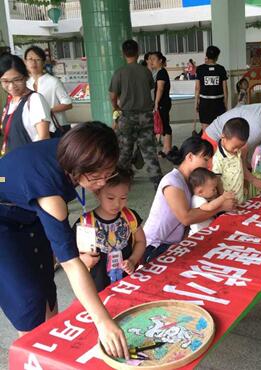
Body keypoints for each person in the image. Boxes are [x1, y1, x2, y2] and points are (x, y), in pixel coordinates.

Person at [0, 122, 129, 358]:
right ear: (77, 166)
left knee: (45, 284)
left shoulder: (74, 148)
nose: (102, 182)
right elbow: (69, 263)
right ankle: (32, 357)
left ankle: (52, 351)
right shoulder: (50, 193)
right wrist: (103, 322)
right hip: (4, 220)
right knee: (26, 295)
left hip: (27, 207)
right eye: (96, 176)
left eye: (108, 173)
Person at [143, 136, 235, 262]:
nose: (209, 165)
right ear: (190, 157)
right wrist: (221, 207)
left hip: (174, 244)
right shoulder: (172, 181)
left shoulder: (192, 182)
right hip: (155, 246)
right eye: (205, 159)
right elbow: (186, 218)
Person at [75, 168, 146, 292]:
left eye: (123, 198)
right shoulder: (86, 223)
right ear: (97, 193)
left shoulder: (130, 217)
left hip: (128, 283)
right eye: (110, 198)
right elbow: (71, 256)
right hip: (97, 288)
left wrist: (133, 260)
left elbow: (141, 241)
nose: (117, 204)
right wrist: (83, 260)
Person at [109, 40, 162, 190]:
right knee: (149, 150)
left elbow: (112, 95)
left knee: (125, 150)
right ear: (137, 51)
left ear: (123, 53)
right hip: (145, 116)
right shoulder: (145, 71)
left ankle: (119, 181)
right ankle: (158, 183)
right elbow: (150, 88)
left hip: (127, 116)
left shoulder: (119, 72)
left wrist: (116, 107)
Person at [0, 53, 52, 155]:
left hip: (31, 161)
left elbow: (44, 138)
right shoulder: (10, 102)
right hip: (14, 159)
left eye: (17, 80)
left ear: (26, 77)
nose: (11, 86)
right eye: (5, 81)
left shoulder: (35, 100)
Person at [24, 45, 73, 136]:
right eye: (30, 59)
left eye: (37, 59)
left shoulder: (53, 81)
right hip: (37, 129)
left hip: (57, 127)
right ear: (25, 62)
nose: (33, 62)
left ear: (43, 62)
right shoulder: (26, 84)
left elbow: (68, 104)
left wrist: (47, 110)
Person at [212, 117, 249, 203]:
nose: (237, 150)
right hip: (228, 202)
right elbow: (217, 179)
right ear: (223, 137)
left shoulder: (238, 150)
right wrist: (223, 198)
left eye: (240, 146)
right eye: (234, 147)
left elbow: (239, 170)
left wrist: (243, 186)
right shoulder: (218, 158)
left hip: (240, 197)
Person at [188, 167, 235, 235]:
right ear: (200, 192)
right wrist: (223, 197)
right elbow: (209, 207)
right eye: (213, 189)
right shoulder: (197, 199)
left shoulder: (204, 197)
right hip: (198, 233)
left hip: (207, 230)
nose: (216, 191)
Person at [195, 46, 228, 131]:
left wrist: (196, 103)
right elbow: (225, 88)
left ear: (206, 55)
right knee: (219, 127)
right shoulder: (221, 69)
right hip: (218, 102)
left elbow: (197, 88)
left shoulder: (200, 69)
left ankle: (207, 144)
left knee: (205, 128)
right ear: (217, 57)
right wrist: (226, 102)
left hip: (204, 102)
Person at [150, 52, 173, 157]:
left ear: (160, 61)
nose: (151, 61)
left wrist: (156, 103)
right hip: (164, 102)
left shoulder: (161, 73)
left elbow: (160, 88)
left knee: (165, 124)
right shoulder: (161, 72)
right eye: (150, 59)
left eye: (154, 59)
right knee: (163, 124)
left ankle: (167, 149)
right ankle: (166, 148)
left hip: (162, 103)